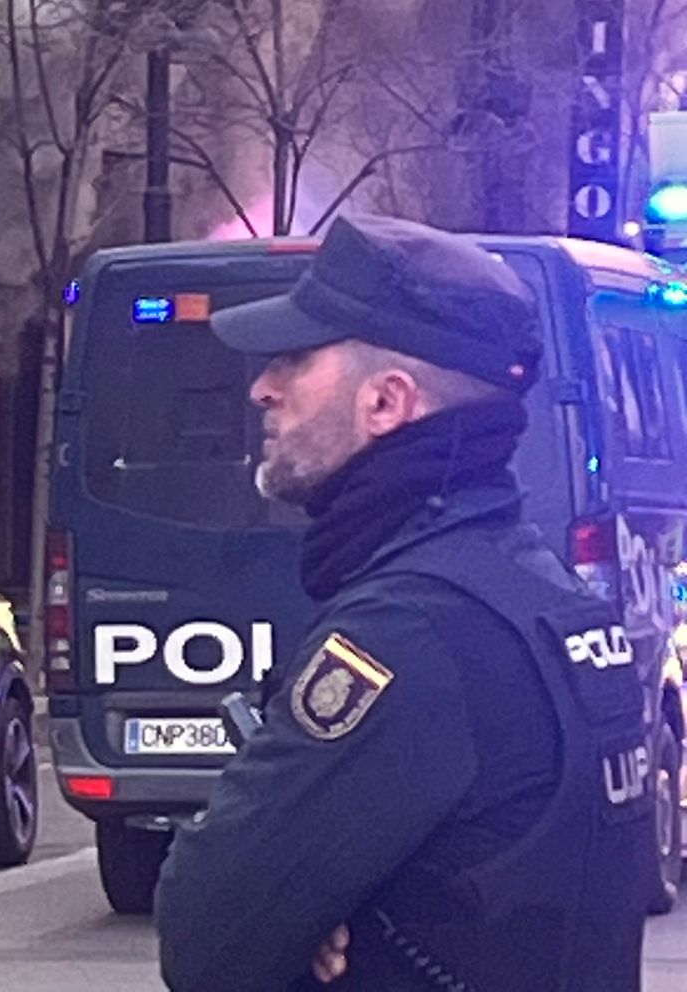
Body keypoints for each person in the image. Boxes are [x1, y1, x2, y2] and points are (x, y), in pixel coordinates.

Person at [155, 215, 655, 992]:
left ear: (387, 402)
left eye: (296, 358)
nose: (262, 387)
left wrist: (304, 915)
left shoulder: (407, 631)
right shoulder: (547, 598)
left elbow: (206, 936)